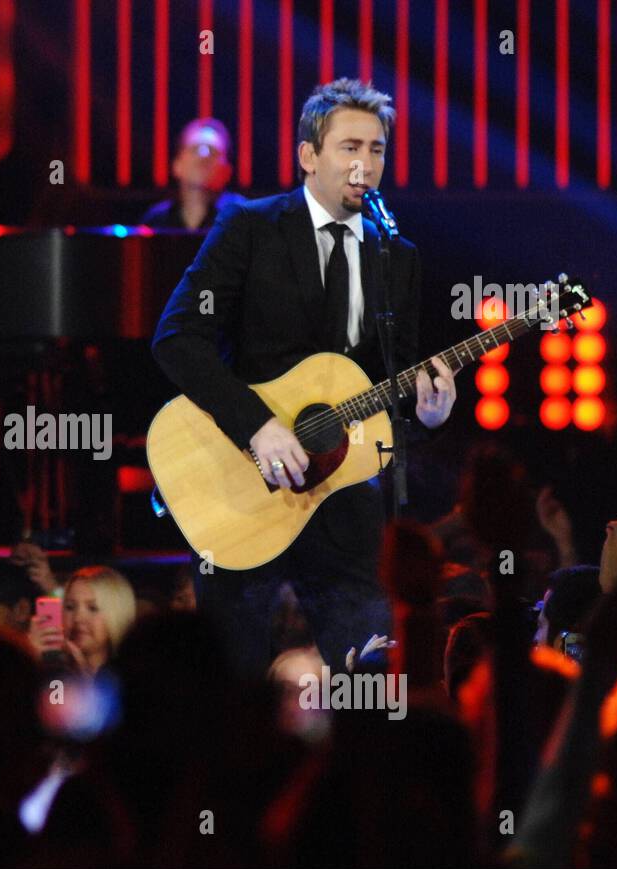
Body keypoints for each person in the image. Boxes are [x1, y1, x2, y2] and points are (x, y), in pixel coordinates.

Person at [152, 78, 458, 681]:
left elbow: (391, 384)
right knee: (232, 688)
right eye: (350, 147)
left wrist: (424, 421)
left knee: (371, 682)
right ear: (308, 155)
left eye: (376, 150)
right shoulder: (250, 227)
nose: (364, 165)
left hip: (345, 502)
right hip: (242, 485)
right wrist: (257, 427)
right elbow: (176, 337)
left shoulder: (397, 254)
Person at [29, 565, 136, 675]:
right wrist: (29, 657)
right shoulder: (55, 672)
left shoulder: (131, 675)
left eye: (93, 608)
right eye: (70, 607)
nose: (78, 618)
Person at [141, 118, 244, 231]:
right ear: (177, 165)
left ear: (227, 170)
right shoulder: (156, 220)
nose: (204, 156)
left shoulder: (244, 217)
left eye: (213, 151)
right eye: (196, 149)